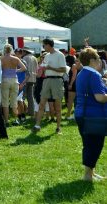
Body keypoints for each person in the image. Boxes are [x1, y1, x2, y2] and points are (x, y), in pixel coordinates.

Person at [74, 48, 107, 182]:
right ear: (92, 60)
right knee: (95, 145)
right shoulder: (94, 75)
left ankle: (90, 173)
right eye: (98, 59)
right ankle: (88, 176)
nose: (100, 61)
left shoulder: (82, 73)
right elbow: (100, 98)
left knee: (89, 144)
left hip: (83, 113)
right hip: (93, 116)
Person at [32, 39, 66, 134]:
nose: (43, 47)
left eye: (44, 45)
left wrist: (50, 68)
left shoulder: (60, 55)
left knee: (57, 105)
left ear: (49, 45)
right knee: (42, 103)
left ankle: (58, 127)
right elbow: (43, 67)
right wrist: (40, 70)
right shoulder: (46, 55)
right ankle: (37, 125)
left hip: (57, 80)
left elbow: (63, 69)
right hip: (46, 80)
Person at [0, 44, 26, 126]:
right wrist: (15, 71)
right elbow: (24, 68)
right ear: (11, 50)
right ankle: (15, 119)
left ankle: (6, 121)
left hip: (5, 80)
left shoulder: (1, 59)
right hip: (14, 80)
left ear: (4, 50)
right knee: (14, 101)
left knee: (5, 101)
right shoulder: (16, 58)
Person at [22, 47, 38, 117]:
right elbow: (37, 68)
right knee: (30, 97)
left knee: (22, 97)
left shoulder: (25, 58)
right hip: (33, 79)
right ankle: (31, 112)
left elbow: (24, 69)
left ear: (25, 52)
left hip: (25, 79)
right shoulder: (34, 58)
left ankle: (22, 111)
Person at [65, 55, 79, 120]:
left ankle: (68, 115)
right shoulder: (74, 65)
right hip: (75, 84)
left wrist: (70, 84)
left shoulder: (73, 66)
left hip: (73, 84)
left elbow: (74, 76)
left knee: (70, 101)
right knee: (74, 101)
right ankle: (72, 115)